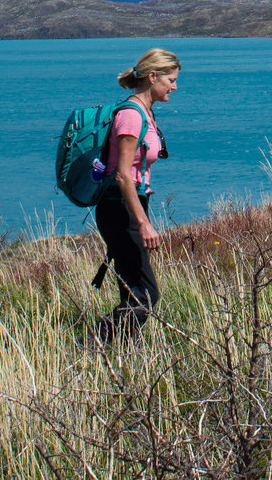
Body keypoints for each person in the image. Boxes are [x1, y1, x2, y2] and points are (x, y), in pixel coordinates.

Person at [95, 48, 180, 342]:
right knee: (145, 295)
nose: (174, 86)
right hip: (120, 209)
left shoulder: (144, 112)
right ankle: (93, 343)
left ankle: (118, 352)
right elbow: (121, 175)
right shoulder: (132, 116)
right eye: (170, 79)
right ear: (152, 76)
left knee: (134, 290)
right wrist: (143, 223)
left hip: (126, 207)